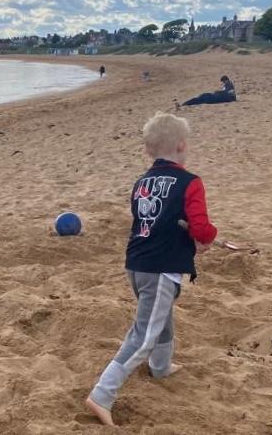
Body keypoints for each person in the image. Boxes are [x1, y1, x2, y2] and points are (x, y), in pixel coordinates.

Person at [85, 112, 218, 427]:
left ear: (148, 151)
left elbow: (149, 220)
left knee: (162, 317)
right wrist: (206, 237)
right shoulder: (190, 182)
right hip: (161, 267)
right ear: (182, 146)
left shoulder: (141, 182)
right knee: (144, 333)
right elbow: (200, 227)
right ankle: (101, 395)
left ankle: (161, 367)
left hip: (136, 263)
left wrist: (186, 232)